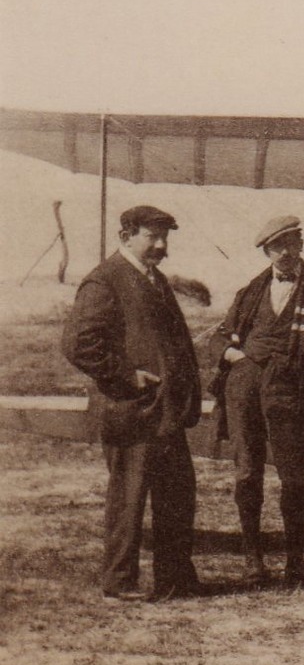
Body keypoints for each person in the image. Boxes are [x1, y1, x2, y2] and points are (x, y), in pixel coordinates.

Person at [208, 215, 304, 587]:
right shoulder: (249, 294)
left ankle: (295, 561)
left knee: (294, 478)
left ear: (301, 246)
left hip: (291, 395)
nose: (287, 252)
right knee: (247, 472)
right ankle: (253, 561)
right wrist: (236, 357)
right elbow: (220, 338)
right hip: (244, 391)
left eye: (294, 243)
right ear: (267, 252)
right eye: (279, 246)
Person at [62, 205, 204, 601]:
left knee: (177, 494)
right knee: (129, 497)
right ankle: (119, 582)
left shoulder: (154, 279)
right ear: (125, 237)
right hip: (130, 411)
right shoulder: (104, 281)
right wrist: (126, 376)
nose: (160, 246)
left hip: (164, 412)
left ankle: (175, 580)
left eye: (164, 238)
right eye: (151, 237)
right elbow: (78, 344)